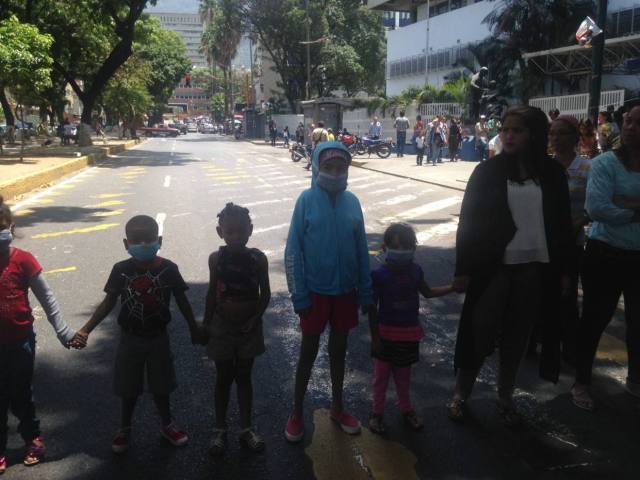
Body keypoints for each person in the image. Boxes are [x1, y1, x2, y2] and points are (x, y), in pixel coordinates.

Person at [447, 106, 574, 427]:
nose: (508, 135)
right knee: (480, 331)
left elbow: (561, 225)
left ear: (533, 134)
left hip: (534, 268)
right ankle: (461, 393)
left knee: (518, 336)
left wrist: (564, 271)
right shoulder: (487, 171)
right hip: (493, 267)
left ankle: (505, 396)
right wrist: (462, 269)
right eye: (505, 129)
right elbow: (469, 222)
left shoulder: (553, 173)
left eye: (517, 130)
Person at [75, 215, 201, 453]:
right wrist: (85, 329)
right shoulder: (120, 270)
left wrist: (194, 327)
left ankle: (167, 423)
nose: (143, 244)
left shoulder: (169, 269)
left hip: (158, 337)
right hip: (130, 338)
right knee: (128, 387)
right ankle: (124, 427)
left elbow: (183, 301)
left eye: (149, 239)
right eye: (136, 240)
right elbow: (108, 302)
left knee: (161, 385)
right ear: (126, 244)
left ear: (159, 240)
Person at [284, 141, 373, 443]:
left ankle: (338, 406)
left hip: (345, 293)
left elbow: (362, 248)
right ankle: (296, 411)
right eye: (329, 167)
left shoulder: (353, 202)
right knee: (308, 353)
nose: (335, 173)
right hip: (315, 293)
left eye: (341, 168)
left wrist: (366, 291)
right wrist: (299, 295)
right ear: (318, 167)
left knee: (338, 353)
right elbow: (293, 250)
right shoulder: (306, 200)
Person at [0, 195, 83, 473]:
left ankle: (32, 439)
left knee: (21, 393)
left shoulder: (23, 260)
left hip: (20, 341)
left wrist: (63, 331)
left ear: (10, 227)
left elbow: (47, 298)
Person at [571, 105, 640, 411]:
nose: (630, 127)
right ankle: (581, 381)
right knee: (595, 320)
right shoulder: (605, 163)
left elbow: (610, 206)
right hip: (605, 253)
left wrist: (622, 204)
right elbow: (598, 209)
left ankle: (636, 379)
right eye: (628, 121)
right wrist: (636, 210)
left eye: (638, 123)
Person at [367, 223, 454, 434]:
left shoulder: (415, 271)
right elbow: (371, 309)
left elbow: (429, 292)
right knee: (381, 379)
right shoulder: (378, 276)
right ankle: (376, 414)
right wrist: (376, 338)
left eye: (405, 246)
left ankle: (406, 409)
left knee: (403, 378)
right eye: (395, 246)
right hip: (385, 336)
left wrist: (453, 287)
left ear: (413, 248)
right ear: (385, 247)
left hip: (407, 336)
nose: (400, 251)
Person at [203, 203, 270, 455]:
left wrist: (255, 318)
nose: (235, 237)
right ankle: (219, 429)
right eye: (230, 232)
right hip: (221, 328)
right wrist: (206, 324)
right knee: (222, 378)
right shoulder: (216, 259)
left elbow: (265, 294)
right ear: (220, 232)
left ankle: (245, 428)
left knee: (244, 377)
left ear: (250, 230)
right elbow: (211, 293)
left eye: (241, 232)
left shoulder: (258, 259)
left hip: (248, 330)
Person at [547, 115, 591, 365]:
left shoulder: (587, 168)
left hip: (573, 241)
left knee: (567, 293)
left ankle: (570, 346)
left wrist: (577, 224)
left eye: (561, 133)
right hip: (546, 240)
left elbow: (593, 206)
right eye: (552, 133)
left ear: (574, 137)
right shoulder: (546, 166)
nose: (555, 138)